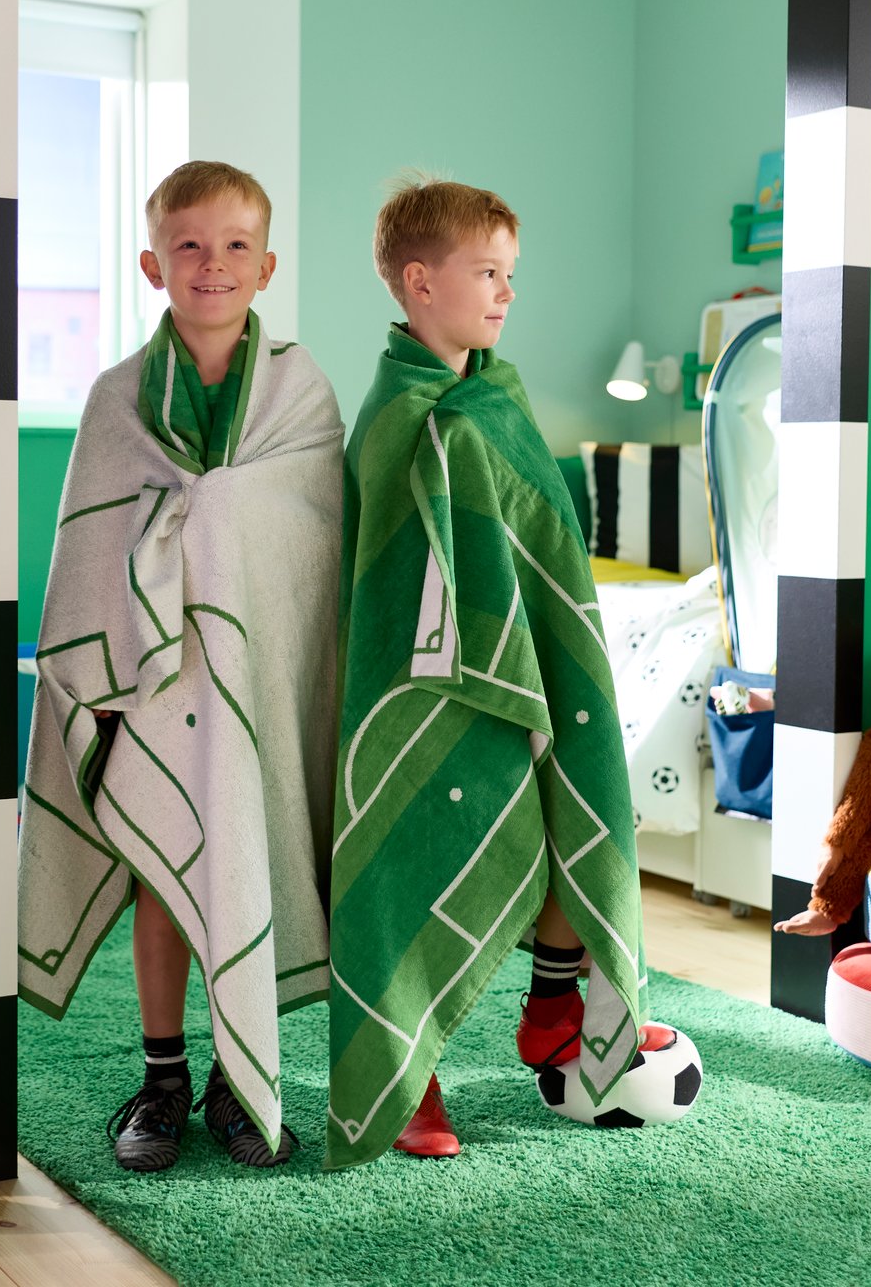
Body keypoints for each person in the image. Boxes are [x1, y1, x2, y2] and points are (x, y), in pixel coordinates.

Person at [17, 161, 343, 1171]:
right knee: (164, 871)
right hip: (152, 679)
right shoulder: (119, 397)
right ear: (153, 262)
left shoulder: (300, 389)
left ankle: (238, 1084)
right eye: (191, 246)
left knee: (244, 863)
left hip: (253, 678)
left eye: (236, 245)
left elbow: (309, 546)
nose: (213, 264)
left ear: (267, 263)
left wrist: (213, 513)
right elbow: (89, 544)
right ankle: (161, 1074)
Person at [326, 176, 648, 1170]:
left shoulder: (495, 398)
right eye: (486, 272)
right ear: (419, 283)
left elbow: (544, 536)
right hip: (418, 688)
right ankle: (409, 1071)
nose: (504, 293)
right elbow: (386, 563)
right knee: (411, 861)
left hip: (523, 673)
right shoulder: (394, 412)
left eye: (510, 274)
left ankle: (549, 1006)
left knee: (567, 809)